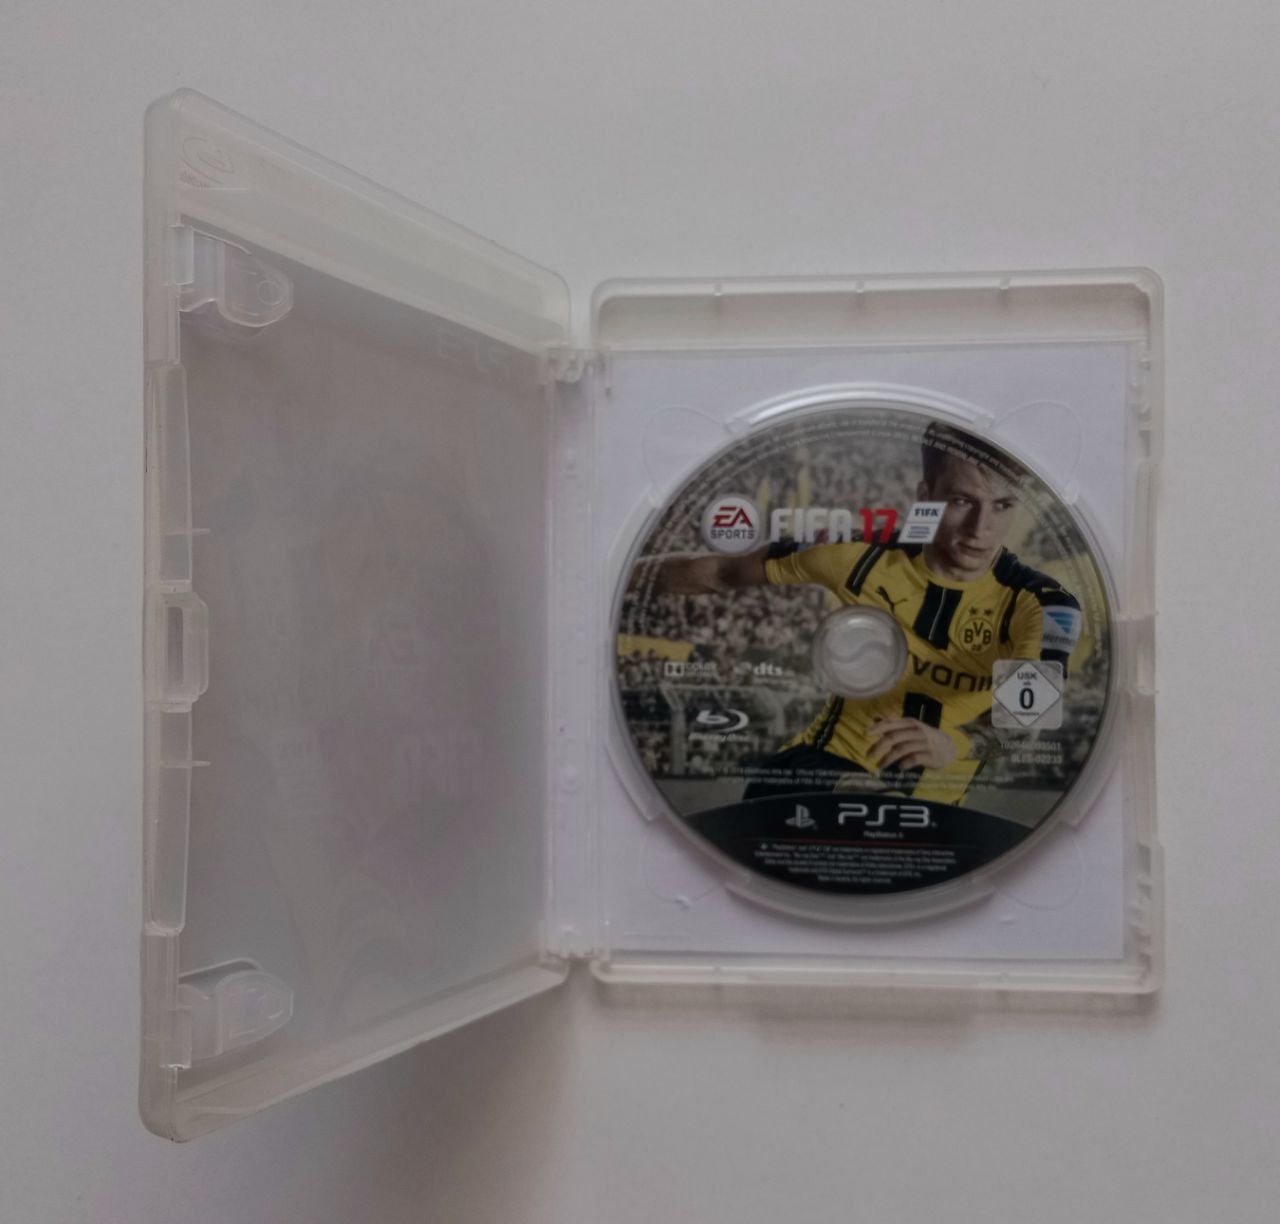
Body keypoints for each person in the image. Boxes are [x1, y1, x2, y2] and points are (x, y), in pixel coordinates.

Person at [649, 424, 1082, 805]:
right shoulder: (857, 554)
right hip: (813, 780)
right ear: (926, 497)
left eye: (1003, 506)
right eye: (962, 501)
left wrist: (957, 745)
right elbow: (720, 572)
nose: (981, 528)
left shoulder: (1044, 604)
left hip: (935, 824)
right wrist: (621, 577)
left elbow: (1027, 718)